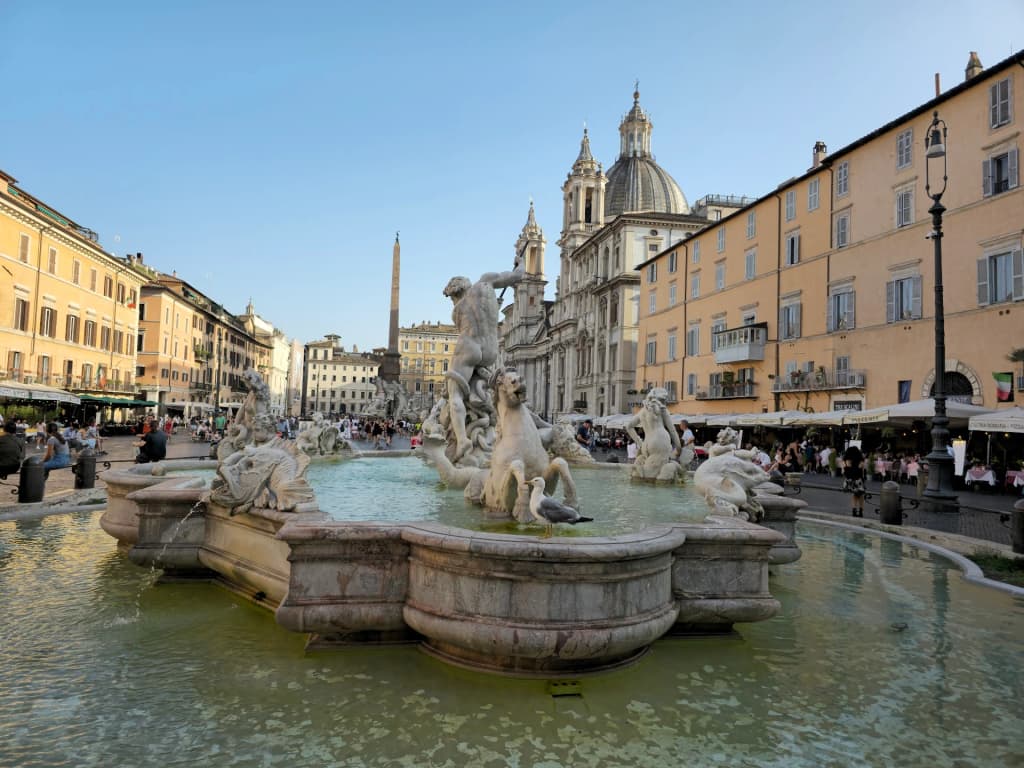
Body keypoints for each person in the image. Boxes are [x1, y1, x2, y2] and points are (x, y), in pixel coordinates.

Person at [443, 258, 525, 460]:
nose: (453, 302)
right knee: (477, 384)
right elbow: (517, 276)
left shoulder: (457, 310)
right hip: (490, 350)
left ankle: (463, 440)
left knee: (454, 394)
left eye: (452, 297)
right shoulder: (485, 283)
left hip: (469, 346)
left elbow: (467, 323)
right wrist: (520, 261)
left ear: (455, 292)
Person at [842, 443, 866, 517]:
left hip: (850, 479)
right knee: (861, 495)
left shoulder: (846, 460)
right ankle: (861, 511)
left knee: (854, 496)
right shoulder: (861, 460)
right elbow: (861, 470)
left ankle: (854, 510)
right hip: (858, 479)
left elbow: (845, 470)